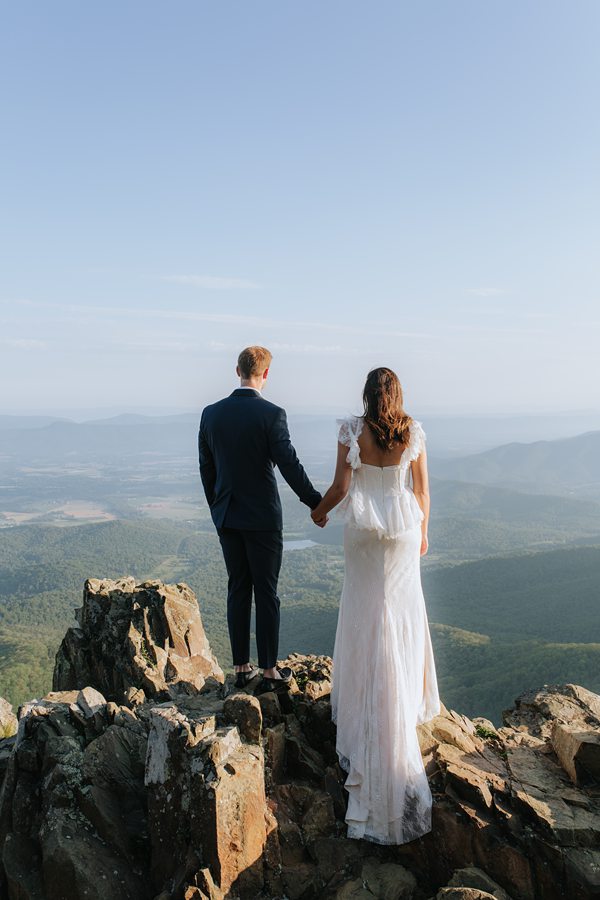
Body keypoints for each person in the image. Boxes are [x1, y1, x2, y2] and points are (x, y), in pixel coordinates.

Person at [310, 366, 441, 845]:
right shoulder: (414, 431)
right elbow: (422, 491)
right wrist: (423, 533)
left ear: (366, 395)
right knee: (401, 618)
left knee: (367, 619)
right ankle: (400, 702)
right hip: (404, 533)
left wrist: (318, 512)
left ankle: (368, 707)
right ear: (398, 394)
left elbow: (343, 489)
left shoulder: (351, 431)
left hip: (365, 536)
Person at [198, 345, 326, 693]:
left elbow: (206, 469)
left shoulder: (210, 414)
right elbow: (289, 465)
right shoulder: (272, 415)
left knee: (238, 587)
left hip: (227, 516)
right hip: (263, 519)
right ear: (265, 374)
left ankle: (241, 668)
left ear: (236, 370)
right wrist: (316, 503)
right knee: (266, 592)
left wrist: (217, 508)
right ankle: (269, 671)